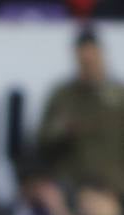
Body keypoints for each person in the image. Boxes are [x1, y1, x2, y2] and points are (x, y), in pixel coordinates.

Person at [36, 27, 124, 195]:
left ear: (101, 56)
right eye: (84, 62)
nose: (89, 66)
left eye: (92, 60)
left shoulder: (120, 96)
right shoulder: (63, 95)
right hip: (72, 185)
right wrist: (63, 129)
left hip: (115, 187)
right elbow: (42, 141)